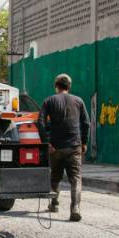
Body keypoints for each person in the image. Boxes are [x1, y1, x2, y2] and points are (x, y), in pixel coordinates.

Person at [38, 73, 90, 222]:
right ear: (69, 86)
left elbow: (40, 122)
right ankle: (75, 209)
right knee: (76, 179)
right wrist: (84, 142)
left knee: (55, 177)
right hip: (74, 147)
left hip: (55, 148)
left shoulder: (49, 101)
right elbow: (86, 123)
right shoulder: (78, 101)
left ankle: (54, 204)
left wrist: (46, 142)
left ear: (56, 86)